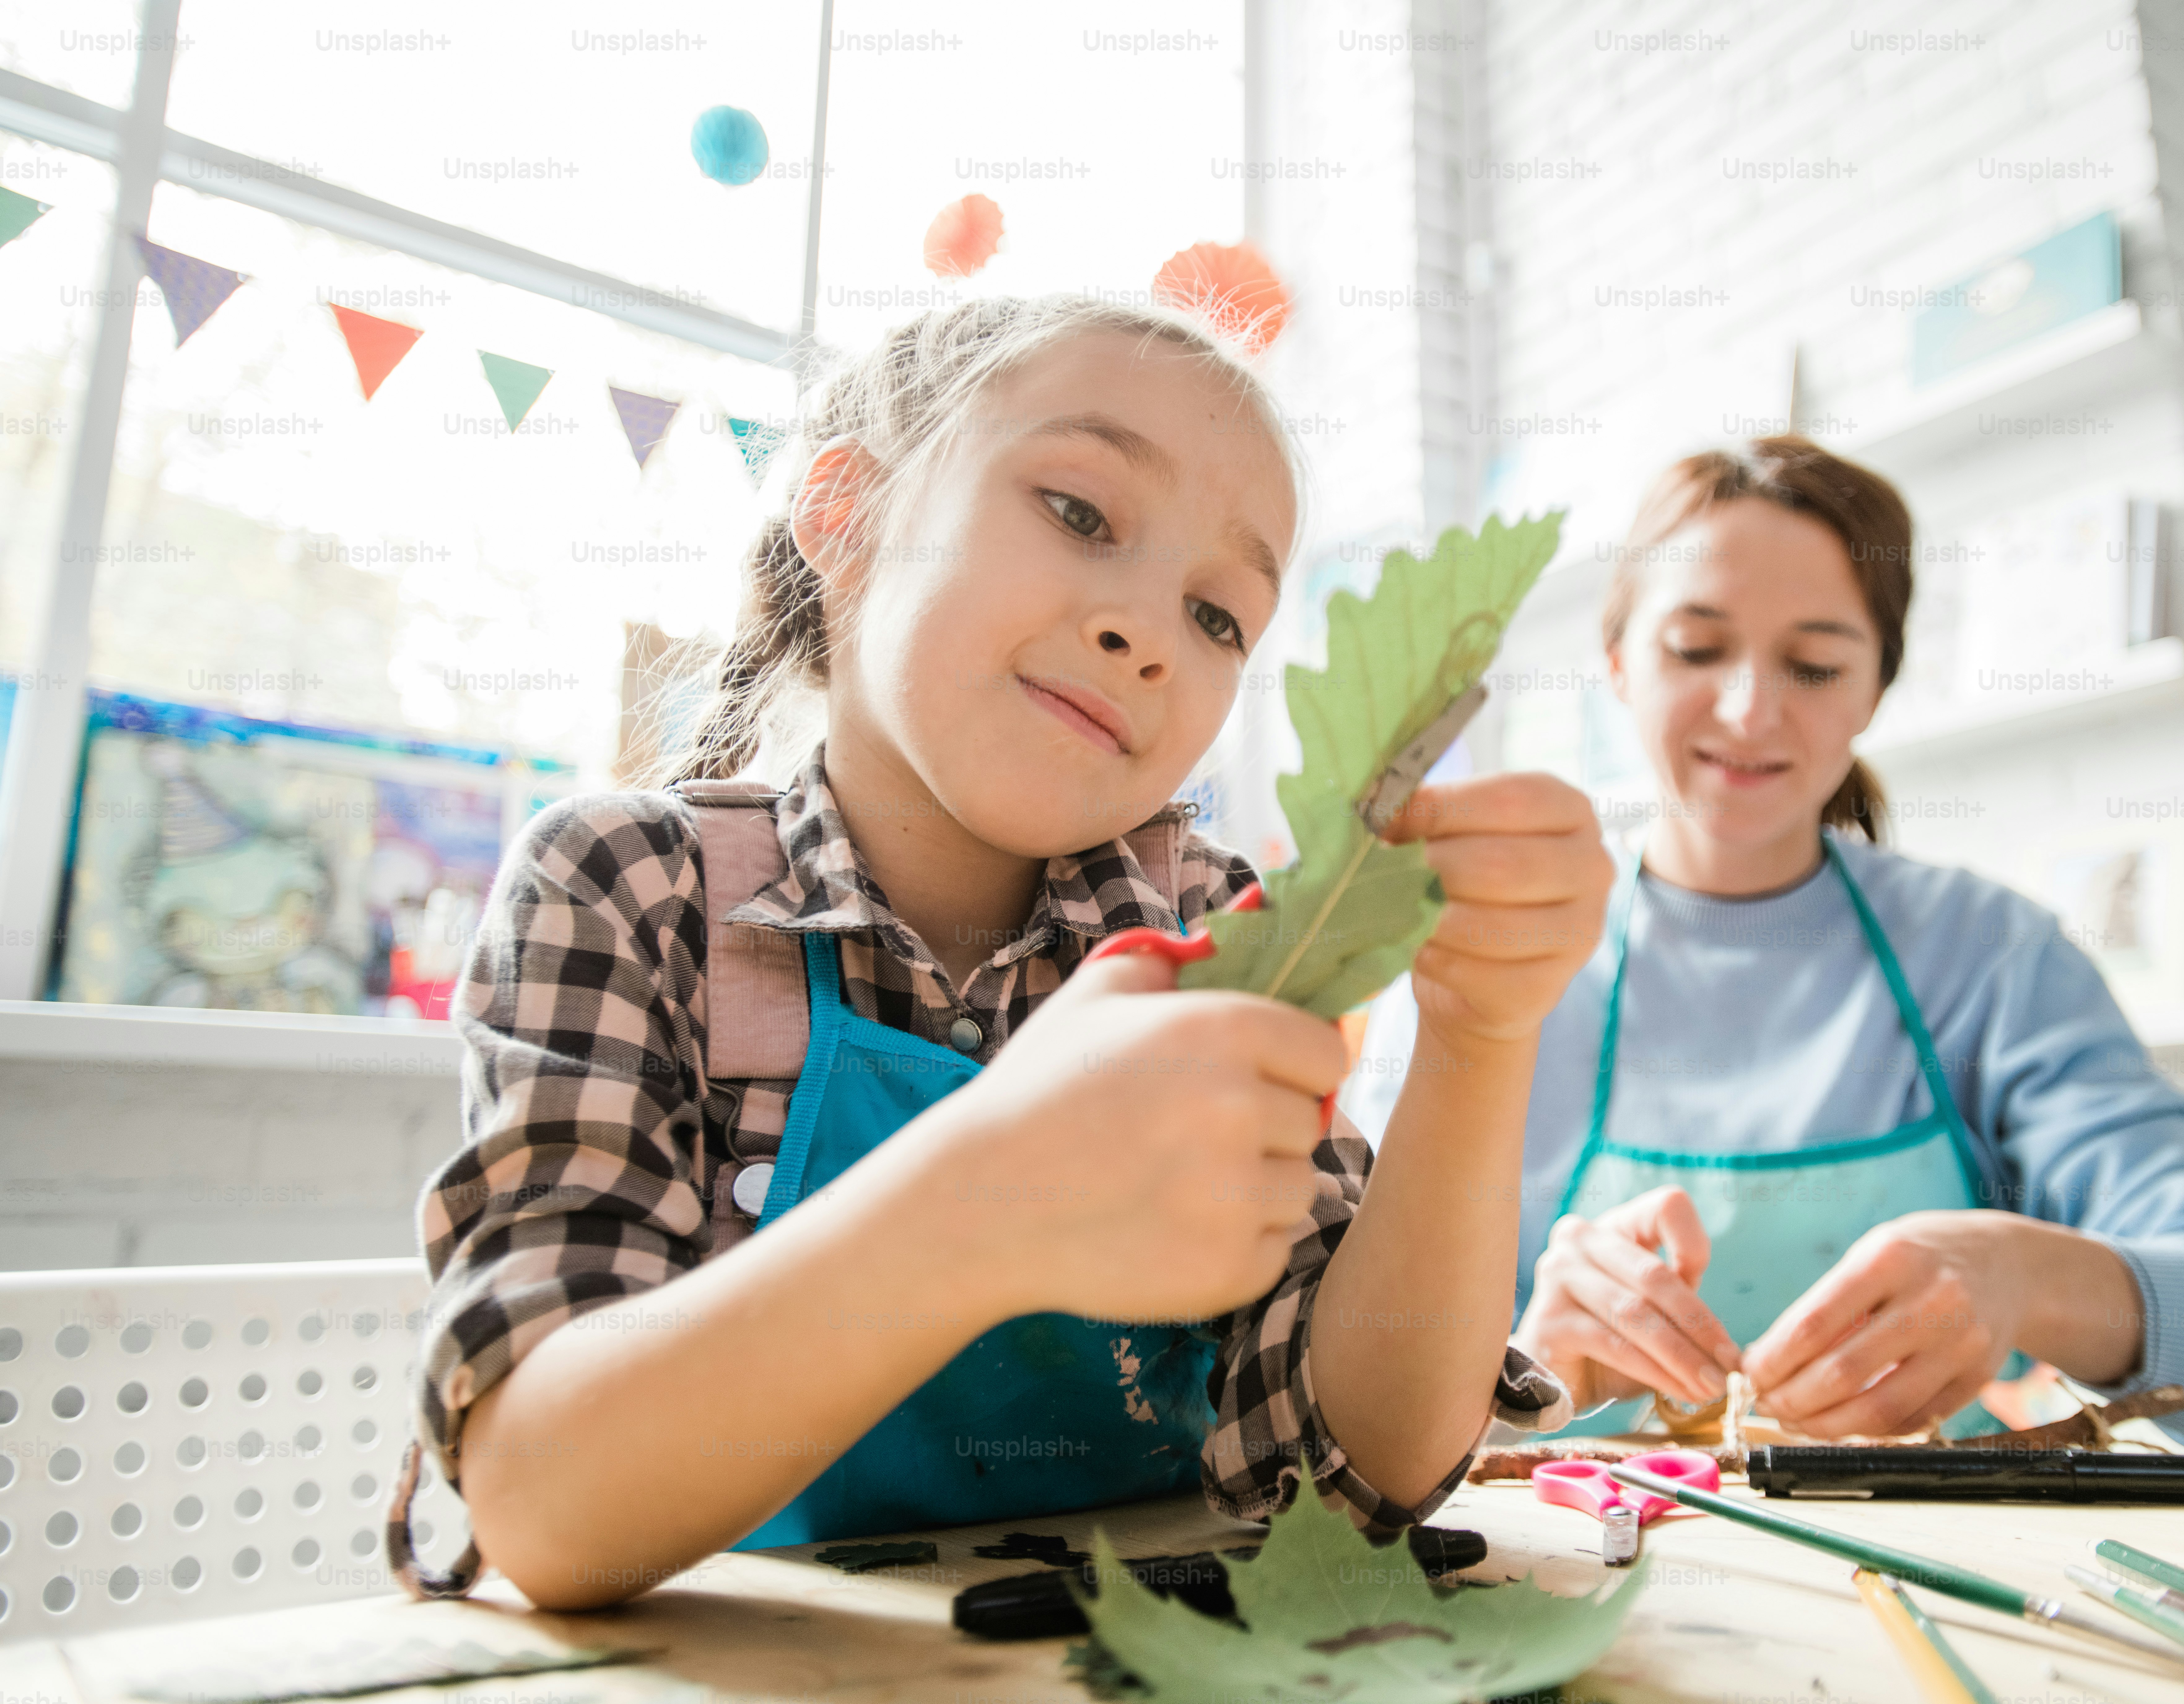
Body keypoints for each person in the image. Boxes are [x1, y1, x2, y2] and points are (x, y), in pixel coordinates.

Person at [390, 297, 1612, 1609]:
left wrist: (1483, 1037)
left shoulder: (1220, 930)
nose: (1146, 629)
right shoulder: (627, 885)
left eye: (1218, 615)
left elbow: (1354, 1473)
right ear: (847, 515)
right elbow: (548, 1506)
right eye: (1080, 513)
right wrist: (986, 1201)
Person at [1344, 437, 2184, 1451]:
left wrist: (2022, 1276)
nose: (1750, 711)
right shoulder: (1478, 962)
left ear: (1873, 692)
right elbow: (1330, 1398)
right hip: (1566, 1589)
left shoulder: (1991, 958)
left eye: (1815, 665)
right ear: (1617, 665)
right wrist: (1523, 1366)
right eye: (1696, 649)